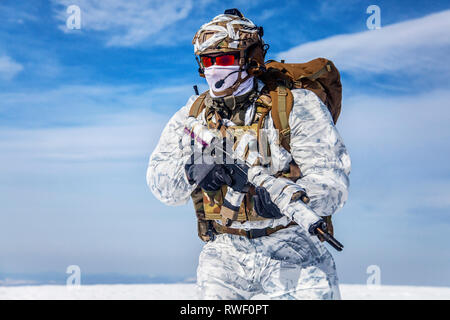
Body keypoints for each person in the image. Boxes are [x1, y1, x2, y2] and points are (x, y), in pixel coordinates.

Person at [146, 9, 351, 300]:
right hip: (224, 256)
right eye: (208, 61)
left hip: (293, 250)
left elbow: (335, 185)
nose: (215, 68)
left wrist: (291, 195)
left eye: (225, 59)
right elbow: (160, 186)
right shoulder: (191, 116)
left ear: (250, 59)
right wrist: (192, 170)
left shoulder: (297, 107)